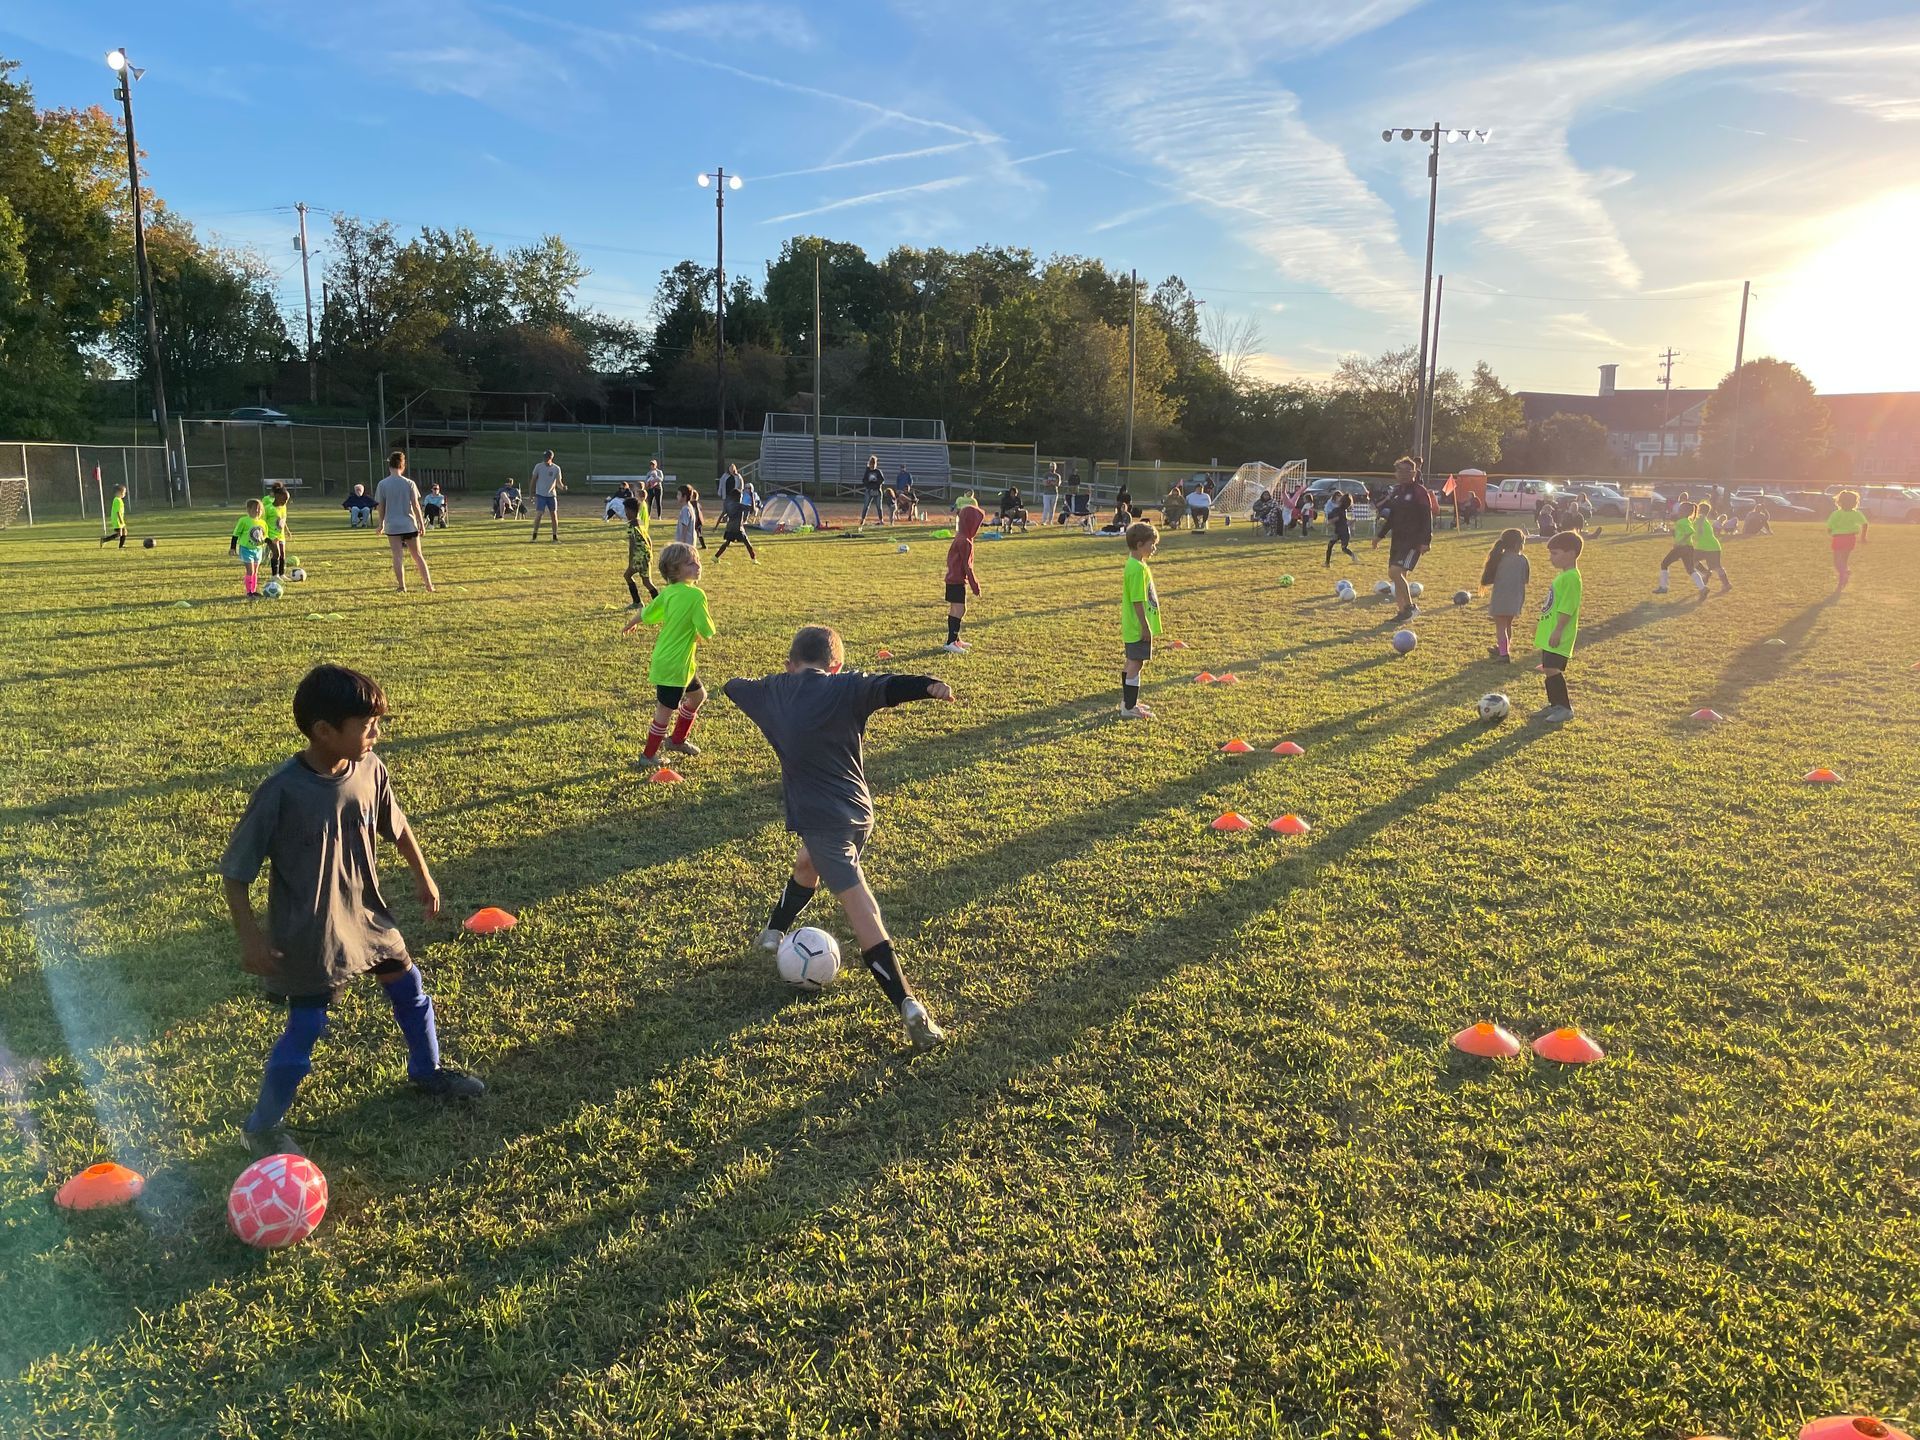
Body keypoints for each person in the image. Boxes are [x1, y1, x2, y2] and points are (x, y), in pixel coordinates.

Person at [219, 664, 483, 1157]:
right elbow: (236, 872)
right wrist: (251, 939)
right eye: (366, 726)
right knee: (307, 1026)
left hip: (367, 913)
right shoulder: (281, 791)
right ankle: (262, 1126)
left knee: (410, 989)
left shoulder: (370, 768)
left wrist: (422, 874)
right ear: (323, 731)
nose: (376, 734)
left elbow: (396, 825)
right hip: (313, 929)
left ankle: (427, 1072)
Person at [724, 624, 953, 1050]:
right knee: (806, 863)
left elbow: (734, 687)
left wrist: (771, 685)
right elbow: (891, 685)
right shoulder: (848, 685)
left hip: (824, 821)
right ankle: (773, 932)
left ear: (790, 664)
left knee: (860, 907)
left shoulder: (773, 691)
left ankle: (908, 1005)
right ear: (836, 664)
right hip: (859, 812)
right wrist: (928, 686)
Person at [623, 542, 714, 760]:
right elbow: (707, 629)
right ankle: (648, 756)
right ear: (675, 570)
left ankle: (677, 740)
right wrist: (702, 632)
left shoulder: (669, 593)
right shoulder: (697, 595)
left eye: (698, 560)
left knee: (698, 696)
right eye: (691, 563)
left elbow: (647, 613)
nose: (698, 565)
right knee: (664, 711)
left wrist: (631, 623)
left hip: (678, 662)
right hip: (674, 665)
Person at [1372, 457, 1433, 622]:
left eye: (1407, 471)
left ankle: (1410, 608)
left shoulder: (1419, 491)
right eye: (1399, 471)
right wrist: (1379, 535)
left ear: (1414, 473)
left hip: (1413, 541)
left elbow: (1427, 517)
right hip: (1398, 539)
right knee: (1398, 575)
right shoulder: (1397, 491)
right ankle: (1402, 613)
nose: (1402, 474)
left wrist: (1426, 541)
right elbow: (1392, 517)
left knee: (1395, 572)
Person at [1534, 531, 1584, 722]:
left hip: (1559, 635)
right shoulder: (1564, 576)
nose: (1551, 558)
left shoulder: (1572, 578)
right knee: (1548, 668)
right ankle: (1554, 705)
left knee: (1553, 669)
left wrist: (1558, 630)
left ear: (1570, 553)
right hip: (1551, 633)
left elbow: (1567, 608)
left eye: (1555, 553)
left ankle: (1565, 708)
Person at [1119, 520, 1162, 720]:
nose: (1154, 548)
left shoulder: (1136, 564)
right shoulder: (1136, 569)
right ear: (1139, 545)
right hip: (1137, 627)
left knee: (1132, 663)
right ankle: (1129, 707)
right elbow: (1138, 601)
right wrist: (1145, 627)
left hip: (1133, 626)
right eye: (1151, 544)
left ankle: (1128, 702)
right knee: (1136, 664)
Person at [375, 450, 434, 593]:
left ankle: (402, 586)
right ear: (403, 465)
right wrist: (421, 523)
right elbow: (416, 505)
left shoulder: (383, 484)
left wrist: (381, 523)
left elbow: (381, 506)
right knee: (418, 556)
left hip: (392, 525)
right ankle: (429, 585)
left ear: (389, 466)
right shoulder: (409, 483)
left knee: (397, 556)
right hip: (409, 524)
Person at [1480, 527, 1530, 663]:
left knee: (1501, 627)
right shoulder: (1523, 560)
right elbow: (1525, 579)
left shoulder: (1498, 558)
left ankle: (1504, 654)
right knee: (1508, 624)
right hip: (1516, 597)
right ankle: (1504, 648)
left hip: (1501, 598)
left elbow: (1490, 577)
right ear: (1518, 544)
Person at [943, 503, 984, 653]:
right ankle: (951, 641)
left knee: (956, 609)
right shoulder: (965, 542)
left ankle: (955, 639)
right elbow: (968, 566)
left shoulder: (960, 537)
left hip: (952, 579)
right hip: (957, 580)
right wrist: (975, 585)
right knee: (960, 609)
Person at [1653, 492, 1706, 597]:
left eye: (1680, 510)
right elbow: (1683, 533)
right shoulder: (1685, 521)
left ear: (1684, 512)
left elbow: (1690, 532)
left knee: (1664, 564)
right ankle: (1703, 588)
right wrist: (1674, 534)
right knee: (1690, 569)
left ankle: (1663, 587)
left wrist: (1680, 542)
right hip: (1688, 548)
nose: (1678, 511)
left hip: (1682, 548)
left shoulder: (1683, 521)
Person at [1827, 490, 1868, 590]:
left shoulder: (1836, 514)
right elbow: (1865, 524)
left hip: (1838, 538)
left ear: (1839, 502)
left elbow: (1829, 527)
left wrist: (1831, 531)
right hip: (1850, 538)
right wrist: (1863, 537)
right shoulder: (1856, 513)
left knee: (1837, 561)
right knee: (1844, 560)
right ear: (1855, 503)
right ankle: (1843, 578)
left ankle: (1844, 574)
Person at [713, 476, 759, 564]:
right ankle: (754, 559)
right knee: (748, 544)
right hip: (738, 529)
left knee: (727, 543)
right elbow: (752, 510)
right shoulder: (739, 505)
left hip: (730, 528)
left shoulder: (728, 505)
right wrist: (752, 495)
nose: (742, 497)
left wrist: (716, 526)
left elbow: (721, 515)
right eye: (741, 496)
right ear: (738, 497)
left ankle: (715, 557)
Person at [229, 498, 269, 599]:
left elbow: (264, 537)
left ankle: (254, 590)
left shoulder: (263, 523)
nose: (258, 511)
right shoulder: (244, 520)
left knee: (255, 571)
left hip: (258, 550)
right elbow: (235, 534)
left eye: (260, 509)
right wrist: (232, 548)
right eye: (255, 508)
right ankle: (249, 592)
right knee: (250, 571)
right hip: (246, 549)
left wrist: (271, 545)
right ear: (248, 509)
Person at [623, 494, 659, 605]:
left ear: (631, 511)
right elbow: (648, 539)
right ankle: (660, 604)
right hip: (646, 555)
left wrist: (631, 562)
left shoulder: (630, 525)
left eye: (626, 510)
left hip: (639, 556)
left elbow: (632, 544)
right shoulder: (641, 522)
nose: (625, 513)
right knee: (647, 581)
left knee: (627, 575)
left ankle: (637, 602)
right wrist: (651, 554)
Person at [1692, 501, 1731, 595]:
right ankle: (1706, 573)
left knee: (1716, 567)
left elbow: (1699, 530)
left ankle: (1726, 584)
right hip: (1704, 546)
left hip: (1710, 547)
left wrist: (1697, 534)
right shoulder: (1702, 518)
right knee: (1692, 560)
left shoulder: (1701, 518)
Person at [529, 449, 564, 542]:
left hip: (551, 495)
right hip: (541, 494)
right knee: (539, 514)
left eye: (547, 458)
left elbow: (559, 483)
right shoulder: (538, 467)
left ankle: (555, 536)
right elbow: (533, 480)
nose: (545, 459)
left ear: (551, 458)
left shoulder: (556, 468)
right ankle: (534, 535)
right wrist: (531, 493)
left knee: (554, 514)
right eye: (544, 457)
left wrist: (563, 487)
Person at [262, 482, 291, 580]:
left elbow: (283, 520)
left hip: (280, 535)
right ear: (278, 496)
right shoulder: (268, 508)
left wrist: (287, 530)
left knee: (282, 554)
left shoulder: (283, 508)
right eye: (284, 499)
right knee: (276, 553)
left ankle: (282, 574)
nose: (286, 501)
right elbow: (263, 523)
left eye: (287, 500)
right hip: (271, 535)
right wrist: (265, 537)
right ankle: (274, 575)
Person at [1324, 491, 1356, 565]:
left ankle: (1327, 563)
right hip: (1345, 532)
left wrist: (1329, 522)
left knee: (1330, 545)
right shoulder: (1343, 510)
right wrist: (1351, 521)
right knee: (1344, 548)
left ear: (1341, 501)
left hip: (1339, 532)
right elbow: (1344, 521)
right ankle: (1353, 556)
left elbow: (1336, 519)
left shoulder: (1337, 510)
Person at [858, 453, 887, 527]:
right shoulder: (867, 472)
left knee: (879, 506)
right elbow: (864, 480)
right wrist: (869, 486)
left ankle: (881, 520)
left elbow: (882, 480)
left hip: (877, 491)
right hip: (869, 490)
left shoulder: (878, 472)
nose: (872, 465)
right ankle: (863, 519)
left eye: (874, 464)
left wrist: (876, 485)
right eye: (871, 464)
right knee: (866, 506)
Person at [675, 484, 705, 549]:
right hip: (689, 542)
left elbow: (684, 527)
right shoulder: (690, 507)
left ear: (684, 496)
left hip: (686, 543)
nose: (677, 496)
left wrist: (681, 544)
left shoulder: (685, 509)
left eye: (679, 494)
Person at [101, 483, 129, 548]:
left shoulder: (119, 500)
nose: (124, 494)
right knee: (120, 533)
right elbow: (117, 512)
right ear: (119, 492)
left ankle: (121, 546)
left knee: (124, 532)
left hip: (119, 519)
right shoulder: (117, 500)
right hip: (117, 520)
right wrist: (121, 520)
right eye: (124, 492)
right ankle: (104, 540)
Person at [1040, 462, 1062, 526]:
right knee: (1046, 507)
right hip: (1046, 494)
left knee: (1052, 508)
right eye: (1051, 466)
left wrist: (1050, 482)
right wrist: (1052, 483)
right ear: (1049, 467)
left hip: (1054, 493)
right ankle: (1044, 521)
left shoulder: (1057, 475)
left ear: (1055, 467)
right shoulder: (1046, 475)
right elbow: (1045, 483)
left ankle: (1050, 521)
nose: (1052, 468)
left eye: (1053, 466)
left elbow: (1057, 484)